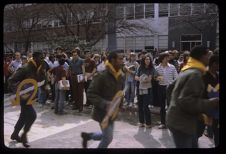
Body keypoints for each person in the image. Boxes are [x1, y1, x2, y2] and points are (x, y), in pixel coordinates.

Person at [166, 45, 219, 148]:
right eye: (208, 55)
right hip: (182, 123)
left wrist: (172, 106)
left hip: (181, 120)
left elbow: (170, 89)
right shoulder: (195, 74)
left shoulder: (188, 69)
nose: (209, 58)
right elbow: (186, 101)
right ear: (201, 57)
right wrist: (211, 102)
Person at [81, 51, 124, 148]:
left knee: (106, 136)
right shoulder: (101, 75)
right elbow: (90, 93)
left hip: (113, 113)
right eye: (120, 59)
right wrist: (105, 104)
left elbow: (120, 93)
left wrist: (120, 106)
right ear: (113, 60)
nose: (122, 61)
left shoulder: (121, 76)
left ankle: (88, 136)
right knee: (108, 138)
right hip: (102, 113)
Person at [8, 52, 45, 148]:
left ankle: (15, 134)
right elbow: (11, 80)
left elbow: (40, 81)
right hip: (24, 97)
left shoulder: (37, 68)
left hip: (30, 97)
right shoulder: (25, 68)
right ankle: (24, 136)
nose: (43, 60)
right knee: (32, 115)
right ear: (35, 58)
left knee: (23, 116)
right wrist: (20, 92)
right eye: (41, 58)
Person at [155, 52, 178, 129]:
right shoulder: (157, 68)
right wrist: (156, 78)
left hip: (170, 88)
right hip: (161, 87)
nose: (168, 59)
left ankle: (171, 123)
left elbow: (176, 78)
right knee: (162, 106)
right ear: (162, 59)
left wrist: (173, 86)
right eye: (166, 57)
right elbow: (155, 78)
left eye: (168, 57)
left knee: (170, 106)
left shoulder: (172, 67)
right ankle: (163, 123)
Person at [135, 55, 157, 128]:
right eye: (146, 59)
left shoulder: (152, 68)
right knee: (140, 105)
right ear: (143, 60)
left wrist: (144, 79)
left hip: (148, 88)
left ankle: (148, 123)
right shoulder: (140, 67)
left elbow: (150, 78)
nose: (148, 61)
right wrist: (142, 79)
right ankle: (141, 122)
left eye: (149, 59)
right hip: (140, 88)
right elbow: (136, 77)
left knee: (145, 106)